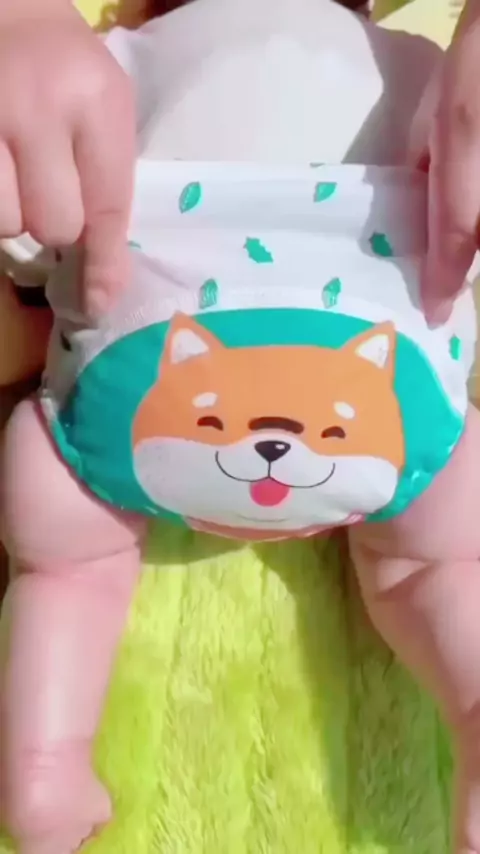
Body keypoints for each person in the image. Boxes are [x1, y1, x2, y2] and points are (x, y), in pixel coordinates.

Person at [0, 0, 477, 322]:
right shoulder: (425, 68)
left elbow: (35, 231)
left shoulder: (111, 58)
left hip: (143, 378)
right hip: (383, 379)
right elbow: (458, 228)